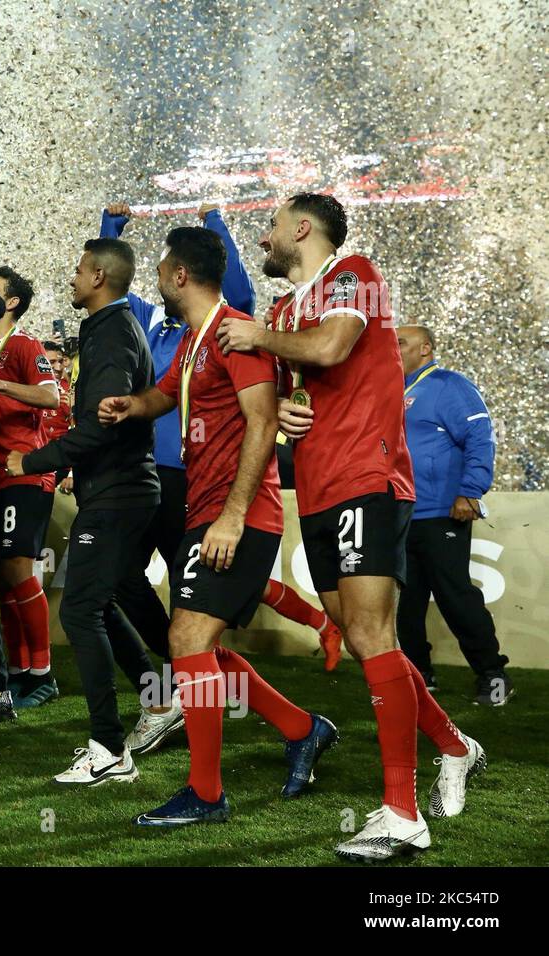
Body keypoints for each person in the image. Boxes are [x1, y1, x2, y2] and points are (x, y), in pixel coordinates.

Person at [217, 192, 484, 860]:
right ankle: (455, 745)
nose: (265, 239)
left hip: (368, 478)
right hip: (315, 486)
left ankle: (402, 813)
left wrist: (256, 337)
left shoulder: (352, 274)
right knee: (365, 642)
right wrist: (287, 409)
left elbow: (333, 347)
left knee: (371, 632)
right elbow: (298, 389)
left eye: (273, 227)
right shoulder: (284, 308)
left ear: (302, 229)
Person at [97, 226, 337, 826]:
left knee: (186, 645)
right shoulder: (196, 340)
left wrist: (232, 518)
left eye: (160, 268)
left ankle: (205, 794)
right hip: (204, 511)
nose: (155, 277)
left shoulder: (235, 333)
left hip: (237, 517)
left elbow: (262, 423)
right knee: (201, 648)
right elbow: (165, 395)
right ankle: (301, 727)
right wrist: (134, 406)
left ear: (180, 275)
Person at [6, 238, 159, 787]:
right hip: (116, 487)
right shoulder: (106, 329)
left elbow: (104, 422)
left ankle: (109, 749)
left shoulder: (113, 332)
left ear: (97, 276)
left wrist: (35, 459)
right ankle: (160, 697)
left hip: (120, 493)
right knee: (103, 598)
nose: (71, 279)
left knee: (79, 612)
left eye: (77, 270)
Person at [396, 324, 510, 703]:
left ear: (425, 348)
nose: (394, 348)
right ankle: (419, 677)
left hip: (442, 511)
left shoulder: (448, 385)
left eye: (402, 342)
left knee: (454, 596)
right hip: (401, 513)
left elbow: (480, 435)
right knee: (407, 605)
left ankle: (493, 676)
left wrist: (470, 491)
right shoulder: (392, 391)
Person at [0, 266, 61, 709]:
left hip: (23, 473)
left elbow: (52, 397)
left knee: (16, 571)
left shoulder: (26, 345)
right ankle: (18, 670)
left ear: (11, 302)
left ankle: (43, 673)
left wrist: (0, 384)